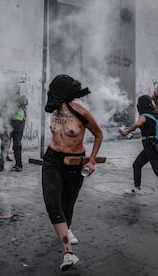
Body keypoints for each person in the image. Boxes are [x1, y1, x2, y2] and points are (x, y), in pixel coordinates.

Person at [42, 74, 103, 271]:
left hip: (74, 163)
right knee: (52, 203)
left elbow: (98, 134)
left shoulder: (81, 113)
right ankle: (68, 252)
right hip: (52, 159)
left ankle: (66, 229)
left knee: (67, 203)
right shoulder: (54, 111)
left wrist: (92, 160)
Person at [8, 86, 28, 172]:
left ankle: (18, 165)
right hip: (10, 122)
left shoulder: (21, 98)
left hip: (18, 122)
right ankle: (1, 164)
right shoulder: (8, 98)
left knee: (16, 145)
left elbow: (24, 102)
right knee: (5, 143)